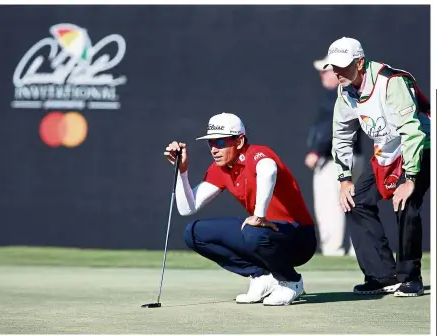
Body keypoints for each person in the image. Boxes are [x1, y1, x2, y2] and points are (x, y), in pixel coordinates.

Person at [163, 112, 317, 306]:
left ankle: (291, 281)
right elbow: (188, 207)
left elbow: (268, 169)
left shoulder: (257, 153)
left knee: (253, 231)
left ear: (239, 141)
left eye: (220, 143)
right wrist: (181, 171)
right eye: (210, 143)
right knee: (194, 233)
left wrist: (259, 216)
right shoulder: (220, 168)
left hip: (298, 238)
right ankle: (261, 276)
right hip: (264, 235)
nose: (214, 149)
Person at [323, 37, 430, 296]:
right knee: (355, 202)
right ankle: (383, 275)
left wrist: (411, 178)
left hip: (421, 145)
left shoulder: (391, 82)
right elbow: (341, 134)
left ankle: (410, 278)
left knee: (406, 202)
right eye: (333, 66)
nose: (336, 72)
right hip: (386, 151)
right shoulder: (345, 90)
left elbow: (412, 132)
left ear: (360, 63)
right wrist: (344, 178)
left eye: (342, 66)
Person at [305, 56, 364, 257]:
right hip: (355, 157)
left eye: (325, 70)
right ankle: (360, 250)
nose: (322, 75)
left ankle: (334, 253)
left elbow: (330, 127)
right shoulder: (354, 92)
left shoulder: (336, 95)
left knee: (330, 206)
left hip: (334, 161)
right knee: (357, 204)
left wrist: (316, 151)